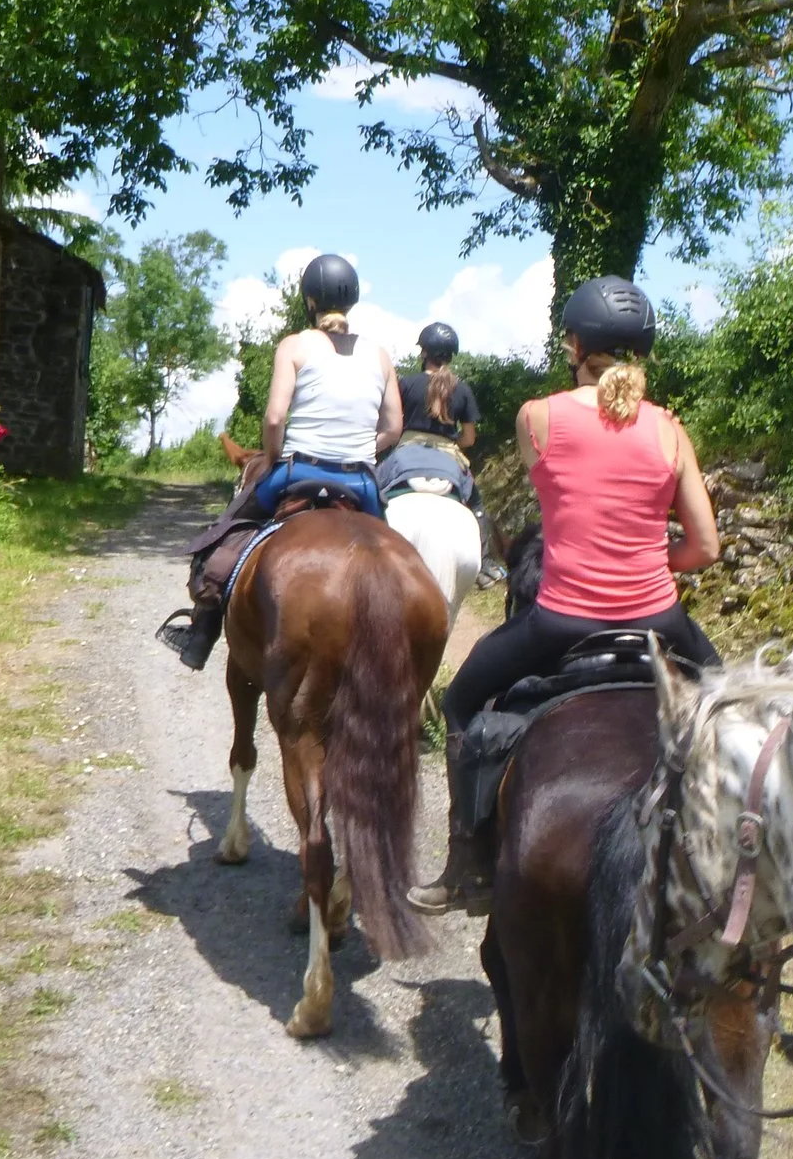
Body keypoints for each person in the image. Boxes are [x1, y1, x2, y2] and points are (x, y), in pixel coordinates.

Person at [409, 276, 724, 914]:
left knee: (465, 699)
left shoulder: (538, 417)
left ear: (574, 342)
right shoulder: (669, 429)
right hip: (661, 620)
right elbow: (706, 548)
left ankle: (465, 861)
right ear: (641, 348)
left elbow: (566, 496)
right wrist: (646, 559)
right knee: (735, 713)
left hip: (559, 623)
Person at [156, 253, 402, 669]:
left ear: (310, 300)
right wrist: (361, 450)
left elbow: (274, 417)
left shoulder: (294, 345)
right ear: (353, 302)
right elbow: (394, 427)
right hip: (360, 480)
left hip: (297, 470)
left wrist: (273, 458)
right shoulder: (379, 355)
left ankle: (201, 633)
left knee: (225, 537)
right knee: (393, 557)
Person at [378, 320, 483, 510]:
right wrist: (448, 443)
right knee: (477, 508)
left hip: (406, 451)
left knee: (370, 495)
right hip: (449, 456)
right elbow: (469, 439)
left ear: (424, 353)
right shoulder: (463, 389)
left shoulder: (406, 383)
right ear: (451, 356)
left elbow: (389, 422)